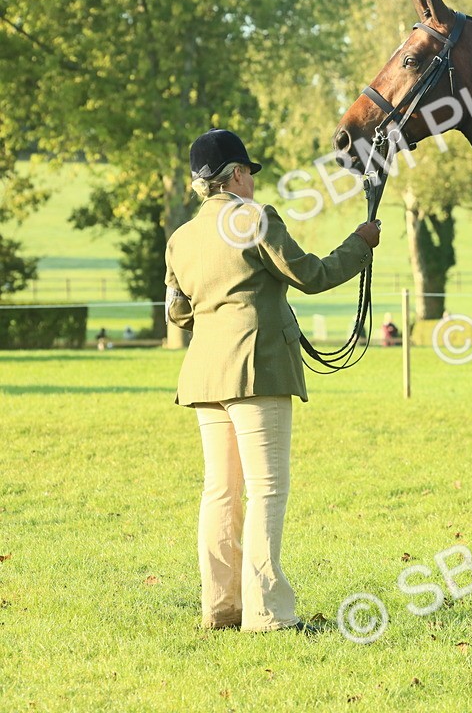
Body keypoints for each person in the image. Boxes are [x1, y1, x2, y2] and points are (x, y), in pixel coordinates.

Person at [165, 128, 382, 634]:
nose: (252, 182)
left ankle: (221, 609)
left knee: (220, 492)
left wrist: (218, 316)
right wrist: (360, 243)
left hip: (203, 375)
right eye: (248, 173)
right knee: (266, 491)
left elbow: (178, 312)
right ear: (236, 175)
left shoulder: (180, 238)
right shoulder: (254, 219)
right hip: (257, 370)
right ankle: (268, 613)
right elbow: (310, 275)